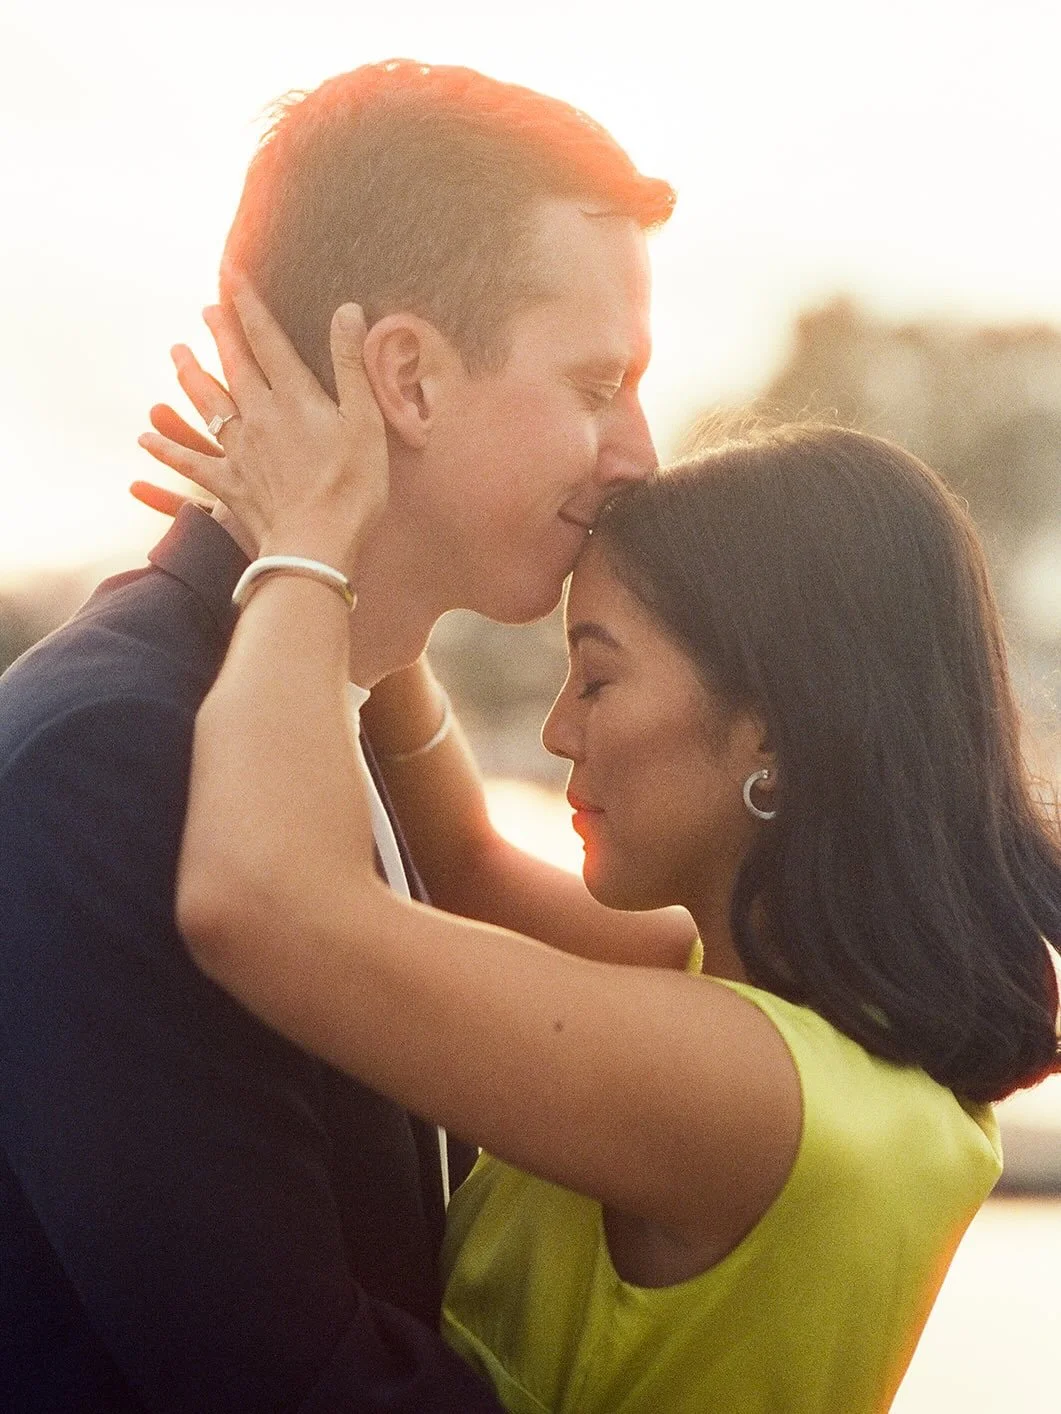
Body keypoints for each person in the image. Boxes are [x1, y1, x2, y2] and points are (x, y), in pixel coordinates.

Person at [153, 285, 1061, 1413]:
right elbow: (469, 864)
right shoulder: (815, 1035)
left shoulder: (740, 1093)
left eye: (596, 675)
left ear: (772, 724)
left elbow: (263, 903)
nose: (555, 728)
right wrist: (381, 543)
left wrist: (307, 541)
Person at [0, 59, 683, 1412]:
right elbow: (291, 1384)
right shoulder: (114, 757)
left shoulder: (324, 721)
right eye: (596, 382)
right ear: (407, 379)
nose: (640, 453)